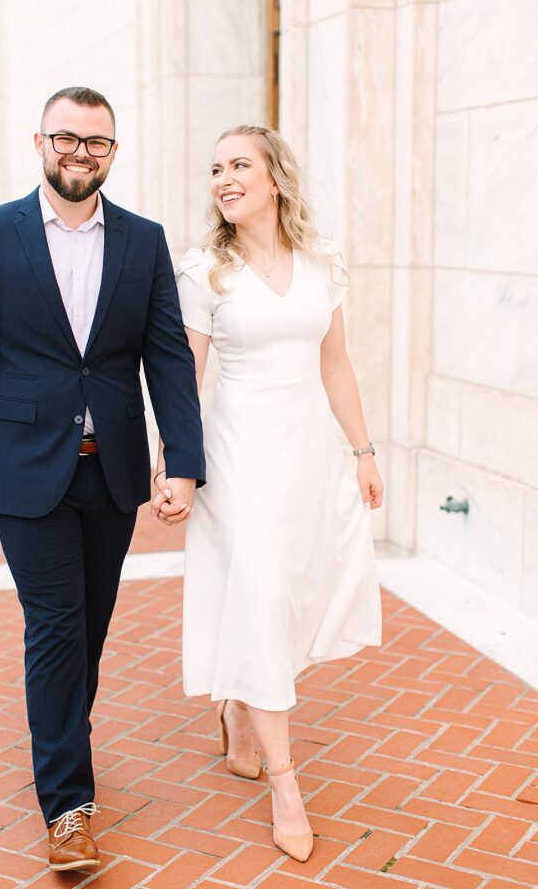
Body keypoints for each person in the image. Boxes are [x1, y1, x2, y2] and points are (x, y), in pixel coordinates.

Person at [0, 86, 204, 872]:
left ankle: (61, 741)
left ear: (113, 153)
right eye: (67, 139)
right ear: (39, 142)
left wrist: (181, 462)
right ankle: (67, 807)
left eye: (97, 143)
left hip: (113, 470)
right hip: (22, 469)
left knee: (87, 633)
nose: (80, 154)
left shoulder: (144, 241)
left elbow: (167, 363)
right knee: (54, 629)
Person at [152, 125, 383, 863]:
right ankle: (285, 783)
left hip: (307, 454)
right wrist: (174, 467)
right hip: (237, 456)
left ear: (274, 178)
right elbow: (181, 382)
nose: (222, 177)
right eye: (215, 167)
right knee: (256, 590)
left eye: (238, 165)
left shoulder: (322, 264)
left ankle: (236, 706)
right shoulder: (203, 272)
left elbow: (336, 365)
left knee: (291, 592)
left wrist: (363, 450)